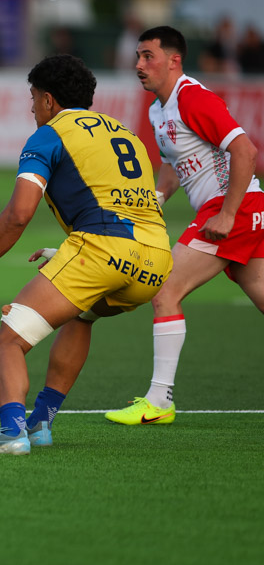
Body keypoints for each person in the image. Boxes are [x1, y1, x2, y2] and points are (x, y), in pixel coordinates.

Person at [0, 55, 173, 454]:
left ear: (48, 99)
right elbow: (126, 206)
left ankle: (12, 434)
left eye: (33, 98)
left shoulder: (49, 135)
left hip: (101, 250)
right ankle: (41, 423)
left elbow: (18, 215)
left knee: (8, 341)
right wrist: (70, 252)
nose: (32, 108)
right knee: (82, 315)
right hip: (156, 260)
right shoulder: (126, 133)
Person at [105, 26, 263, 425]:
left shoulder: (192, 97)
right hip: (242, 209)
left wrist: (227, 214)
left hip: (233, 209)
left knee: (164, 289)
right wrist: (156, 200)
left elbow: (245, 150)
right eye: (138, 56)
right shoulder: (158, 109)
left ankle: (159, 401)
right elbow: (174, 166)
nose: (139, 65)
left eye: (148, 57)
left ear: (174, 61)